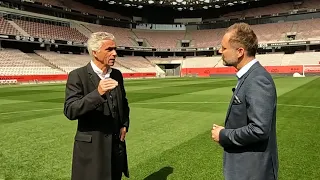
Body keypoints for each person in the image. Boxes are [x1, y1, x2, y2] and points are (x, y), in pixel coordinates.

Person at [211, 23, 278, 180]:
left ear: (240, 51)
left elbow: (259, 129)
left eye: (224, 48)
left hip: (252, 172)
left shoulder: (258, 79)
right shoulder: (249, 76)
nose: (220, 51)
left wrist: (224, 135)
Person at [63, 32, 130, 180]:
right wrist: (98, 93)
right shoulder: (77, 75)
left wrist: (124, 124)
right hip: (92, 150)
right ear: (95, 52)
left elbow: (123, 103)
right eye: (109, 49)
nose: (115, 53)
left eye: (115, 49)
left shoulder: (117, 74)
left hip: (115, 148)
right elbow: (70, 110)